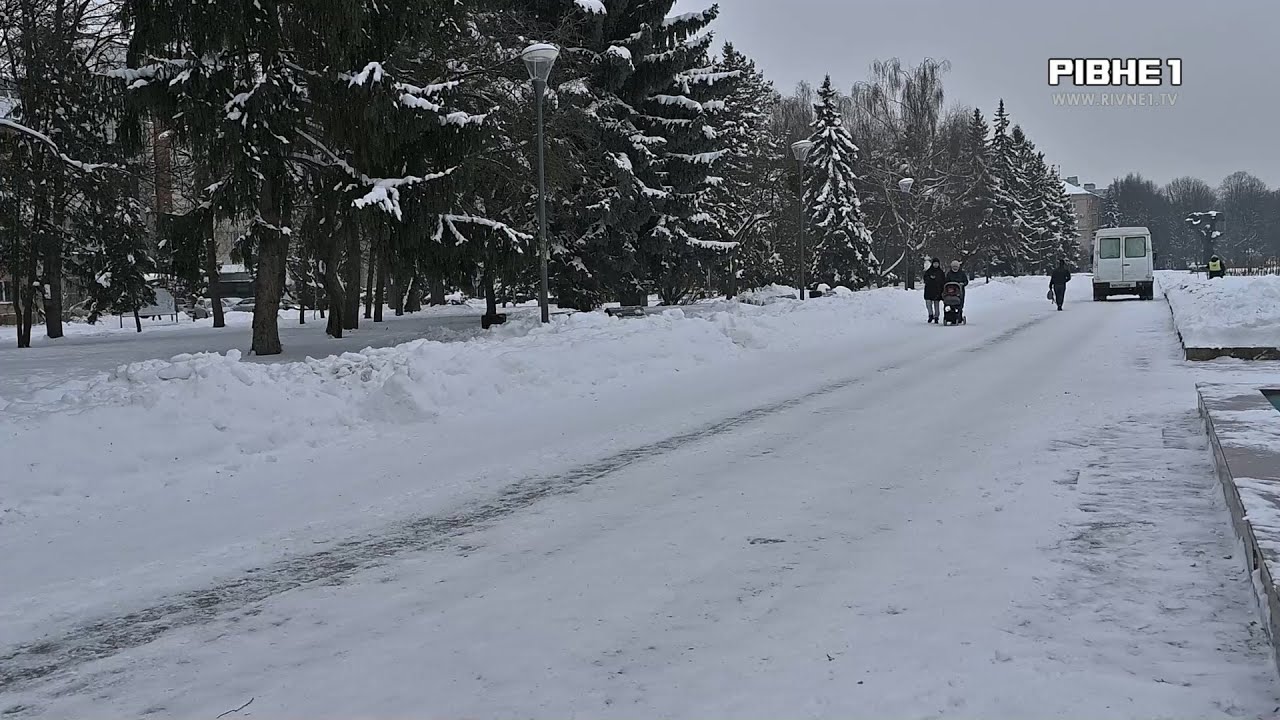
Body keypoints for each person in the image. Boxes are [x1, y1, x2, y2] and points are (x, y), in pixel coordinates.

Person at [922, 259, 946, 323]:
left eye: (937, 263)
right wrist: (930, 278)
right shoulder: (928, 271)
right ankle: (930, 315)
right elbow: (925, 279)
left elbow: (943, 281)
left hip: (938, 290)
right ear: (932, 264)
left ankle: (936, 317)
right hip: (929, 290)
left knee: (936, 304)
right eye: (934, 263)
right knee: (928, 304)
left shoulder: (941, 272)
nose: (936, 265)